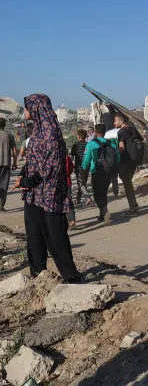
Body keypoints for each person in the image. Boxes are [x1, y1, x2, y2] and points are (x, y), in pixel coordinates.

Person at [10, 94, 80, 282]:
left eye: (27, 107)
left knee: (55, 234)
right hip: (34, 193)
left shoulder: (50, 132)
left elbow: (50, 166)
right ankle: (38, 273)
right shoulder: (38, 130)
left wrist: (28, 181)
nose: (25, 111)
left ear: (36, 108)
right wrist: (23, 174)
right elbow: (33, 159)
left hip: (50, 192)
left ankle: (71, 275)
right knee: (34, 233)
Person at [82, 124, 119, 225]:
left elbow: (86, 159)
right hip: (108, 172)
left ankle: (105, 212)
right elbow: (118, 157)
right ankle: (102, 214)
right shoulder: (111, 143)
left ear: (95, 132)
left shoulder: (91, 143)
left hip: (96, 171)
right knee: (103, 192)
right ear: (105, 131)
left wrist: (84, 169)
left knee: (97, 194)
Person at [115, 115, 143, 215]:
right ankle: (133, 205)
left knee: (127, 183)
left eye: (116, 121)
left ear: (121, 121)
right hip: (134, 160)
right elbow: (141, 140)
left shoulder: (121, 132)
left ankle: (133, 206)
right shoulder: (133, 130)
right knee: (128, 181)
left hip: (125, 160)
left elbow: (121, 147)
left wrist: (113, 151)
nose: (114, 123)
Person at [69, 129, 93, 207]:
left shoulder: (75, 145)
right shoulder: (88, 144)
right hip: (87, 166)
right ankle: (78, 199)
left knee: (80, 183)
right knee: (83, 183)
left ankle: (88, 197)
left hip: (79, 167)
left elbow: (71, 157)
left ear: (78, 136)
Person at [0, 117, 18, 212]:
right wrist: (15, 162)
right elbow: (14, 150)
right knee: (4, 184)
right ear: (5, 125)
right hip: (6, 164)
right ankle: (1, 205)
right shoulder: (9, 135)